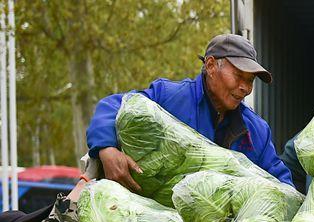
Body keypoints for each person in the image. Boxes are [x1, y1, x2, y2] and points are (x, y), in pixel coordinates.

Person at [85, 34, 293, 191]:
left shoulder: (257, 130)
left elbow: (281, 184)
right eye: (238, 76)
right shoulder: (169, 97)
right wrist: (107, 149)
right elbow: (112, 106)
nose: (245, 88)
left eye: (250, 80)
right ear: (210, 65)